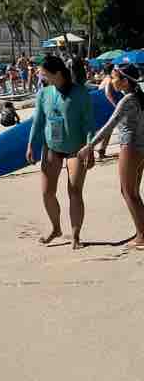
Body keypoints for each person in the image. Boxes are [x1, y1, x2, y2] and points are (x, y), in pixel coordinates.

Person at [27, 54, 95, 249]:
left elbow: (89, 124)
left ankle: (75, 235)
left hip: (76, 149)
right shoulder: (44, 93)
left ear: (57, 73)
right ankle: (56, 228)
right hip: (52, 147)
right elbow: (37, 121)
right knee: (47, 193)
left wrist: (89, 148)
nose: (41, 77)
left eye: (44, 74)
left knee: (74, 191)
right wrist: (30, 144)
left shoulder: (80, 93)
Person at [80, 63, 144, 248]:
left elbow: (110, 124)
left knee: (127, 192)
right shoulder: (139, 97)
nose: (111, 80)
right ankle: (142, 231)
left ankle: (141, 236)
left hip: (130, 147)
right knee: (134, 193)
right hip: (140, 147)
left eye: (114, 77)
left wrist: (89, 146)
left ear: (125, 81)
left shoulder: (127, 100)